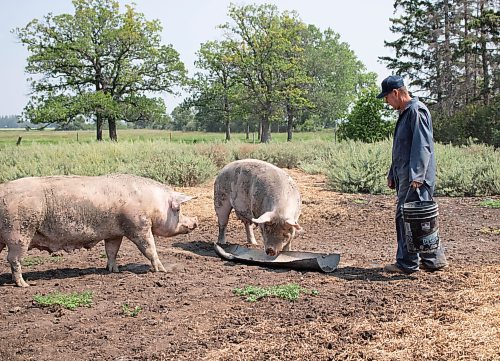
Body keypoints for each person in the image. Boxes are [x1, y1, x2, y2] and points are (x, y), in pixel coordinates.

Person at [377, 75, 448, 274]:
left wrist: (417, 175)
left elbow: (422, 145)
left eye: (387, 98)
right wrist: (393, 172)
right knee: (420, 218)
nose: (386, 102)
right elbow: (401, 148)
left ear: (396, 93)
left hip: (416, 178)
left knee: (407, 217)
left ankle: (407, 263)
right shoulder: (406, 112)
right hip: (406, 175)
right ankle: (434, 260)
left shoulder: (416, 111)